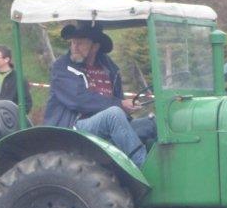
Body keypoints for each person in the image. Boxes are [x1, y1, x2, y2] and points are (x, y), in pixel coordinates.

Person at [43, 22, 148, 167]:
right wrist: (120, 105)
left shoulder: (109, 68)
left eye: (80, 43)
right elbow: (78, 100)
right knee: (114, 114)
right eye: (73, 42)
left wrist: (127, 106)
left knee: (152, 124)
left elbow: (116, 99)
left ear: (95, 46)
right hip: (73, 127)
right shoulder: (62, 67)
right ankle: (145, 166)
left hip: (107, 124)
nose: (74, 47)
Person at [0, 45, 32, 113]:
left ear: (6, 59)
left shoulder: (19, 79)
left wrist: (17, 116)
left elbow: (27, 103)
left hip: (10, 120)